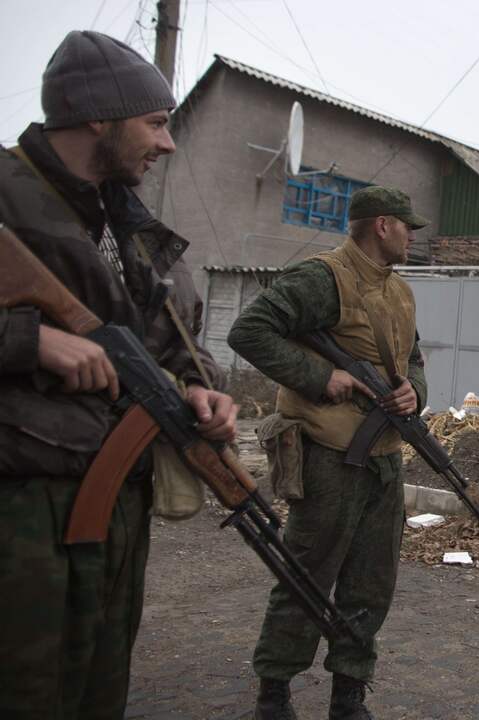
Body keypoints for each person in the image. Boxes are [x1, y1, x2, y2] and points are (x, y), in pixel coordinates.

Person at [0, 31, 237, 720]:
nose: (166, 144)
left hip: (114, 506)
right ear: (99, 116)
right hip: (22, 508)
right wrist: (31, 341)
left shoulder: (128, 226)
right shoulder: (10, 195)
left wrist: (199, 387)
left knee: (99, 689)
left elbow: (171, 342)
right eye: (156, 123)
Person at [228, 186, 428, 720]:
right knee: (307, 573)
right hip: (327, 454)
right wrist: (323, 377)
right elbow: (249, 331)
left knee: (371, 582)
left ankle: (348, 693)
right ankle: (274, 691)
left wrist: (414, 391)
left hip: (383, 456)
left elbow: (415, 361)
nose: (414, 236)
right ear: (382, 225)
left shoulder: (401, 292)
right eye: (408, 226)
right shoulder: (322, 278)